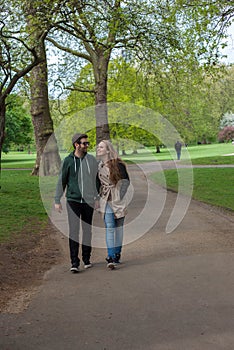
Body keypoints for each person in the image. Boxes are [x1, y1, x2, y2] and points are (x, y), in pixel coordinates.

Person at [54, 133, 99, 273]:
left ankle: (87, 259)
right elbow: (62, 181)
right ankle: (74, 262)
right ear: (76, 144)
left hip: (89, 201)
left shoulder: (91, 160)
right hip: (73, 201)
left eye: (87, 143)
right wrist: (57, 200)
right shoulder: (68, 161)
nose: (87, 146)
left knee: (87, 230)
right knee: (74, 231)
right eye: (84, 143)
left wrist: (97, 197)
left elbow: (96, 179)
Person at [96, 140, 130, 269]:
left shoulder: (118, 165)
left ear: (108, 150)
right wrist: (97, 197)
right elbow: (97, 183)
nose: (98, 149)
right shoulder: (99, 165)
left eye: (101, 147)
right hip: (105, 199)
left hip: (117, 198)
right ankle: (110, 256)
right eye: (98, 147)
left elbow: (126, 181)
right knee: (109, 227)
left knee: (118, 228)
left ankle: (117, 254)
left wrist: (119, 195)